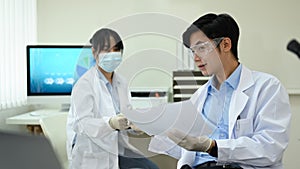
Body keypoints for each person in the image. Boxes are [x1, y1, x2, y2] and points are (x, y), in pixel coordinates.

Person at [152, 13, 291, 169]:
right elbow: (186, 148)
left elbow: (270, 148)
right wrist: (155, 126)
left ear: (225, 45)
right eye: (193, 51)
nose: (196, 58)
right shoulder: (200, 95)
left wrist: (213, 147)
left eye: (202, 48)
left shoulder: (267, 87)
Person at [66, 28, 159, 169]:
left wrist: (135, 125)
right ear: (94, 52)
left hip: (117, 148)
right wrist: (110, 123)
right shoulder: (84, 84)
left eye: (116, 49)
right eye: (106, 49)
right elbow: (81, 124)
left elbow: (125, 116)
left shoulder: (121, 82)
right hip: (92, 152)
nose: (112, 54)